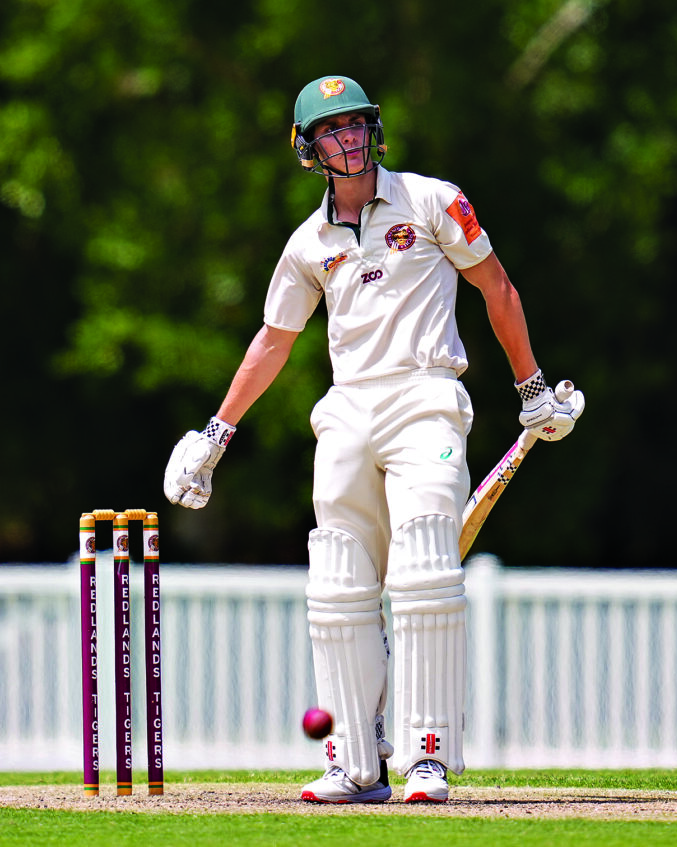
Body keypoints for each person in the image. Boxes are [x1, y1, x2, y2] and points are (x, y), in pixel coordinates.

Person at [163, 75, 584, 803]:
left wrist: (532, 389)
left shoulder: (431, 200)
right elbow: (273, 339)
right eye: (331, 130)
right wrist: (216, 433)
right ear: (308, 149)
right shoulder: (308, 243)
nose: (349, 138)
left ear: (374, 129)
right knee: (336, 579)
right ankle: (355, 763)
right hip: (348, 407)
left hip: (426, 396)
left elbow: (497, 287)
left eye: (356, 123)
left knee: (425, 568)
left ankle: (426, 756)